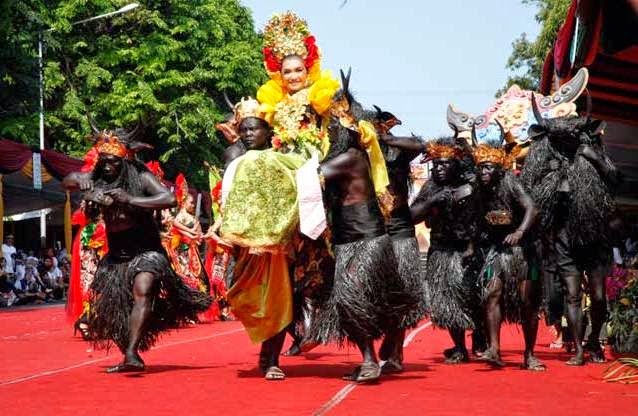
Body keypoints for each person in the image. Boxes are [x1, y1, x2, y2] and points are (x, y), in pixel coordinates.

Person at [63, 123, 211, 373]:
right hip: (116, 256)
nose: (109, 166)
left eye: (114, 162)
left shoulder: (140, 175)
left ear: (124, 159)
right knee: (116, 309)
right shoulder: (95, 176)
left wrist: (131, 199)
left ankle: (132, 354)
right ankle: (128, 350)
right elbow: (68, 180)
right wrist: (83, 184)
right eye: (105, 160)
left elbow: (168, 198)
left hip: (146, 250)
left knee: (144, 289)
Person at [521, 94, 620, 365]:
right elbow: (529, 190)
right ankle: (577, 349)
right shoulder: (543, 154)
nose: (566, 142)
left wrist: (593, 159)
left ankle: (594, 342)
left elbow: (614, 179)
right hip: (564, 236)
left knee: (598, 296)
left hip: (595, 234)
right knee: (572, 295)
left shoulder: (592, 148)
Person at [469, 123, 544, 370]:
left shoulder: (511, 182)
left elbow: (532, 208)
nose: (483, 172)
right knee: (491, 294)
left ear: (499, 169)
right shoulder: (478, 190)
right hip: (496, 253)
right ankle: (493, 349)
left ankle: (529, 354)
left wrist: (520, 231)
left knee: (527, 303)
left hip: (525, 253)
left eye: (488, 167)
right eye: (480, 168)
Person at [410, 136, 481, 364]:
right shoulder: (431, 187)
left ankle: (481, 338)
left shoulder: (473, 183)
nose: (439, 168)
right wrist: (434, 201)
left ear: (457, 164)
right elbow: (412, 215)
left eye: (445, 164)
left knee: (475, 298)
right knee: (448, 299)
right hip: (441, 250)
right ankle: (460, 347)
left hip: (470, 250)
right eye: (436, 164)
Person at [368, 106, 428, 373]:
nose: (378, 131)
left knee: (402, 289)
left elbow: (421, 144)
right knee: (371, 292)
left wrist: (387, 140)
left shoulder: (398, 151)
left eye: (383, 127)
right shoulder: (361, 153)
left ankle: (396, 350)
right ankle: (371, 353)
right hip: (371, 230)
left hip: (400, 229)